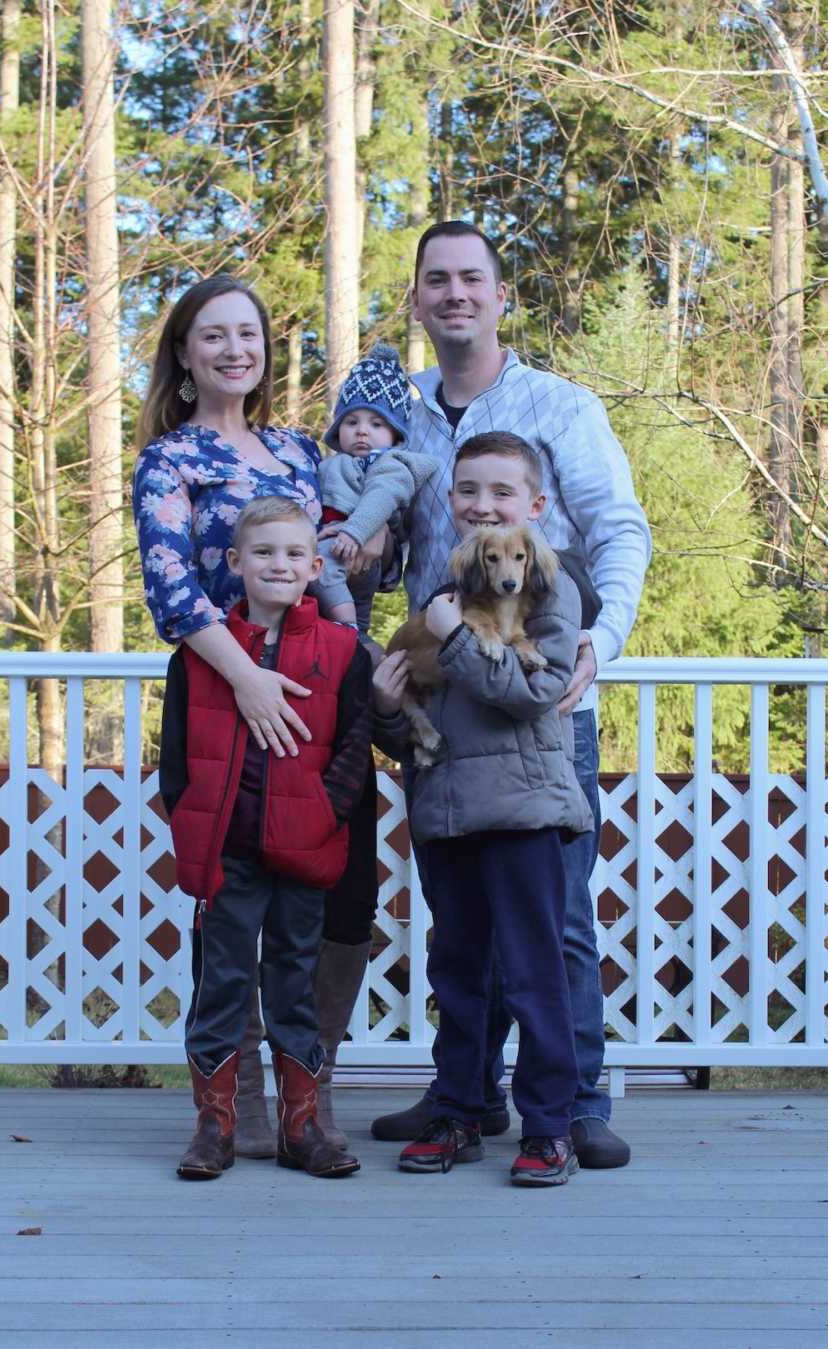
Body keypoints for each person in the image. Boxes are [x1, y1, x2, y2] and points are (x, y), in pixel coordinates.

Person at [370, 221, 652, 1168]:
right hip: (444, 707)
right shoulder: (392, 413)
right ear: (416, 300)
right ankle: (464, 1099)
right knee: (462, 924)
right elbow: (365, 546)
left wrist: (597, 649)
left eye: (472, 279)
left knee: (556, 915)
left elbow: (619, 529)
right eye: (436, 281)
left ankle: (574, 1104)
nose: (454, 294)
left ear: (500, 294)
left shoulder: (559, 406)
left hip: (542, 700)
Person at [132, 274, 382, 1161]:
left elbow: (338, 557)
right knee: (229, 891)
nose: (236, 348)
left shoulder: (299, 450)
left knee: (334, 883)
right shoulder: (171, 459)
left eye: (250, 333)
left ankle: (309, 1107)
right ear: (185, 353)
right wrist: (247, 680)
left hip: (318, 685)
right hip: (214, 685)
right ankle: (221, 1111)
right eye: (214, 334)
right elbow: (169, 584)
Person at [372, 437, 594, 1185]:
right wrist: (388, 709)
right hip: (446, 811)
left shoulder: (549, 591)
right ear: (451, 502)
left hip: (524, 809)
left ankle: (550, 1125)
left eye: (501, 491)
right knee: (459, 970)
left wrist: (457, 638)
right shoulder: (446, 591)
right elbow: (413, 712)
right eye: (467, 489)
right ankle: (460, 1110)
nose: (482, 504)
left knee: (535, 972)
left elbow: (535, 693)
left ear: (534, 508)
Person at [159, 497, 372, 1179]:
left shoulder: (342, 651)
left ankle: (301, 1126)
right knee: (220, 980)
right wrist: (195, 817)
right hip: (228, 851)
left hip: (304, 850)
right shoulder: (201, 652)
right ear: (234, 562)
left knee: (293, 983)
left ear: (315, 565)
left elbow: (354, 750)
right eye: (263, 553)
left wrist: (320, 815)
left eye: (292, 554)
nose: (278, 564)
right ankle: (214, 1126)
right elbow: (175, 756)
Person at [314, 342, 437, 650]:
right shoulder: (331, 464)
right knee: (355, 606)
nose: (362, 431)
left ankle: (348, 631)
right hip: (338, 544)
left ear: (396, 433)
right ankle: (360, 642)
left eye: (376, 423)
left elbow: (382, 496)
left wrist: (357, 530)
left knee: (319, 570)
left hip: (354, 544)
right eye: (351, 422)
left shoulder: (389, 464)